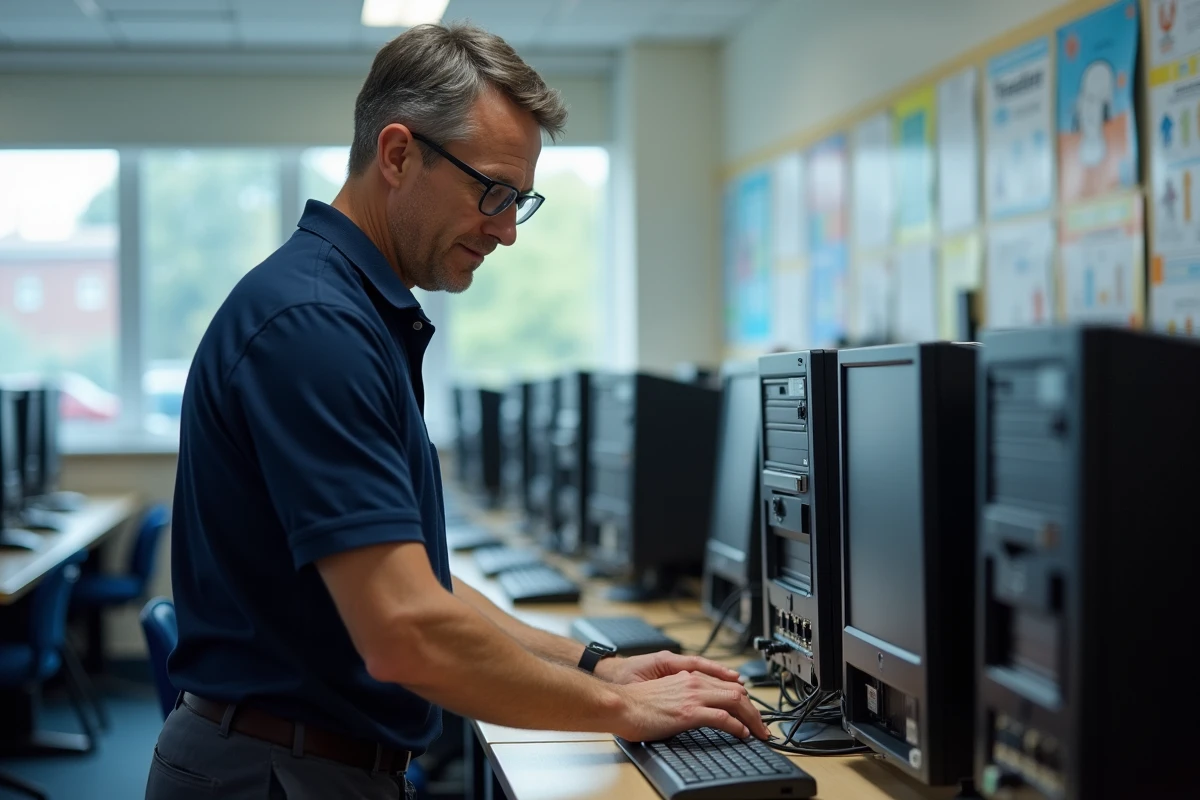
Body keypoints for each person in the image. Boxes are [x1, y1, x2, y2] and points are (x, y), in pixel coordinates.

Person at [146, 22, 768, 800]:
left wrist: (594, 665)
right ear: (399, 154)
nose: (506, 230)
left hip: (305, 764)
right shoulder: (314, 327)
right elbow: (408, 633)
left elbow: (422, 588)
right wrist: (624, 706)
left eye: (520, 201)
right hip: (279, 777)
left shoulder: (349, 311)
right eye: (493, 192)